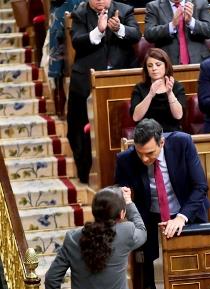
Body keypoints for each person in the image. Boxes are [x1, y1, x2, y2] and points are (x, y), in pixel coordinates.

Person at [114, 118, 210, 289]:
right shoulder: (125, 159)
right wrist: (122, 195)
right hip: (152, 220)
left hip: (187, 214)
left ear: (162, 142)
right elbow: (120, 191)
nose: (144, 158)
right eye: (139, 152)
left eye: (150, 153)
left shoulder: (182, 143)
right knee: (155, 277)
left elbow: (200, 186)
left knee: (192, 270)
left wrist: (181, 218)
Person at [67, 0, 141, 183]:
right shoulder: (80, 13)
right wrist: (98, 31)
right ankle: (85, 173)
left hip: (120, 80)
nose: (99, 0)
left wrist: (118, 29)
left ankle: (122, 175)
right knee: (77, 130)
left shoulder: (124, 10)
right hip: (85, 81)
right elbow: (77, 41)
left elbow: (136, 35)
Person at [45, 186, 146, 289]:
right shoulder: (126, 232)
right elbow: (142, 231)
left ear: (94, 211)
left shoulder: (72, 238)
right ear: (122, 214)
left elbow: (51, 279)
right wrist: (129, 203)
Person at [130, 48, 186, 131]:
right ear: (146, 70)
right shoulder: (139, 88)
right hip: (147, 135)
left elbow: (178, 116)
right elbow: (136, 117)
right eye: (150, 66)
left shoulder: (177, 87)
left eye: (158, 64)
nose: (154, 68)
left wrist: (170, 93)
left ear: (166, 66)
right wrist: (150, 94)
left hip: (172, 134)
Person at [144, 0, 210, 65]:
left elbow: (209, 31)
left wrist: (191, 22)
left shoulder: (200, 3)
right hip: (168, 63)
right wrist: (172, 25)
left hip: (199, 61)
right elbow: (149, 34)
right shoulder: (154, 7)